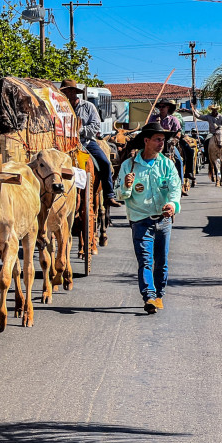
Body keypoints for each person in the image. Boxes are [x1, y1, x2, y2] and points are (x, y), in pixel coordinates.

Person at [114, 122, 181, 314]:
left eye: (163, 140)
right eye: (158, 139)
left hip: (163, 220)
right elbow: (121, 195)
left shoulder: (167, 164)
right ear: (146, 141)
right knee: (145, 260)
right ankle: (149, 296)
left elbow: (175, 189)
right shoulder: (129, 165)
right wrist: (126, 186)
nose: (162, 143)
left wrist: (172, 205)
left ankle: (159, 294)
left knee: (162, 261)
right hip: (140, 219)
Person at [60, 79, 122, 207]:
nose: (69, 93)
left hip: (85, 142)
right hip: (63, 144)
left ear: (76, 92)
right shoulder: (59, 108)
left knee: (104, 163)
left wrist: (79, 130)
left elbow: (95, 126)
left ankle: (108, 195)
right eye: (66, 91)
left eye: (71, 91)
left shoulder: (88, 106)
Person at [148, 99, 186, 193]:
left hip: (169, 144)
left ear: (168, 107)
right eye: (159, 107)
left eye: (163, 106)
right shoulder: (153, 118)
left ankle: (181, 184)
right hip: (155, 144)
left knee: (178, 160)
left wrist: (175, 140)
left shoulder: (173, 119)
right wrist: (155, 124)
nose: (161, 108)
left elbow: (178, 132)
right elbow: (147, 130)